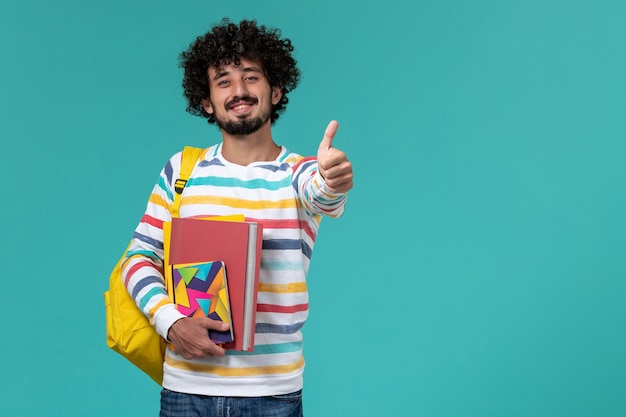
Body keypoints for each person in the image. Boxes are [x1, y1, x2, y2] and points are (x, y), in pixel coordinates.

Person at [121, 18, 353, 417]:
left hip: (272, 396)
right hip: (185, 392)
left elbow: (324, 194)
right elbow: (138, 258)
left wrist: (334, 178)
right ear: (207, 101)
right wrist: (170, 322)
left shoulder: (298, 173)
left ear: (275, 90)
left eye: (251, 77)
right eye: (224, 81)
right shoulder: (182, 172)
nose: (240, 91)